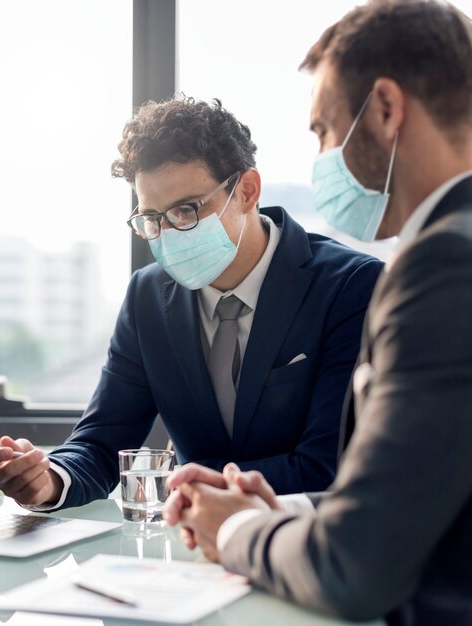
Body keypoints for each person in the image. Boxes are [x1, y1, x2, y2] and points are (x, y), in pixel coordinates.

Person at [164, 2, 472, 625]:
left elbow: (354, 569)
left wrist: (240, 529)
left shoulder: (443, 265)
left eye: (324, 130)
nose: (322, 155)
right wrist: (289, 509)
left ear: (385, 109)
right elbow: (427, 488)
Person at [0, 97, 382, 511]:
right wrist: (48, 479)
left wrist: (193, 489)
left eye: (186, 210)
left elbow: (329, 465)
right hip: (188, 549)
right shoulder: (147, 297)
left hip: (305, 544)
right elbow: (101, 442)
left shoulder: (351, 288)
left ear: (246, 191)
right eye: (152, 218)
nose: (168, 233)